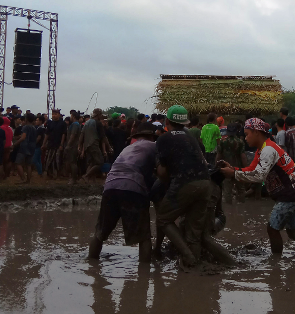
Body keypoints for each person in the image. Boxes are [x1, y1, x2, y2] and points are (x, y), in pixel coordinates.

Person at [220, 118, 295, 258]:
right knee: (293, 231)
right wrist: (233, 169)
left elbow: (259, 176)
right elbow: (251, 169)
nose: (245, 138)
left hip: (290, 195)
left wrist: (234, 174)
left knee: (272, 229)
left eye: (247, 134)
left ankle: (276, 262)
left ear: (256, 132)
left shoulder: (268, 150)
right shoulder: (264, 149)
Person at [88, 123, 158, 263]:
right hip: (133, 188)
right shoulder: (154, 146)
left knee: (100, 232)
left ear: (136, 137)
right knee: (143, 237)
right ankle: (144, 274)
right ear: (151, 136)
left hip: (110, 186)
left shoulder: (127, 149)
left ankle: (91, 264)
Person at [155, 105, 211, 266]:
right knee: (194, 233)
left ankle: (188, 256)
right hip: (206, 183)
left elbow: (163, 173)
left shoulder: (164, 139)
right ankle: (193, 271)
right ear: (185, 123)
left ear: (167, 121)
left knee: (163, 219)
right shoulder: (191, 137)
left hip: (185, 182)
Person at [216, 123, 247, 203]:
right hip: (238, 168)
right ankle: (242, 208)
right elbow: (243, 156)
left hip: (226, 169)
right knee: (241, 189)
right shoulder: (240, 142)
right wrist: (246, 168)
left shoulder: (223, 142)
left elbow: (219, 155)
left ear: (227, 131)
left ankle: (229, 209)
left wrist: (216, 166)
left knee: (227, 190)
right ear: (236, 131)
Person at [78, 108, 107, 183]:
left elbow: (82, 135)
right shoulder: (98, 123)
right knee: (100, 162)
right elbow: (103, 137)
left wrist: (79, 145)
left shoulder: (87, 123)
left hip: (87, 145)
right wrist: (109, 148)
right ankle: (86, 176)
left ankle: (90, 181)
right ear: (99, 115)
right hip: (94, 144)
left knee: (91, 163)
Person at [42, 108, 67, 179]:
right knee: (48, 160)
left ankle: (59, 175)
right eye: (53, 114)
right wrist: (44, 144)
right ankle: (50, 174)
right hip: (50, 144)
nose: (54, 116)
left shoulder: (62, 123)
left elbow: (63, 134)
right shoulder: (50, 123)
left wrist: (61, 144)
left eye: (55, 114)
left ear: (59, 115)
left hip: (58, 144)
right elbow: (47, 134)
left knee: (58, 160)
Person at [13, 112, 37, 184]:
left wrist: (15, 144)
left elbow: (23, 137)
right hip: (32, 147)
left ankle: (22, 179)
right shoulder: (34, 128)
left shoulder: (25, 127)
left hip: (24, 147)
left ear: (26, 119)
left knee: (18, 163)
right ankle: (28, 180)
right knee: (28, 165)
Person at [65, 110, 81, 184]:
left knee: (72, 162)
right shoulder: (76, 124)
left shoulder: (75, 124)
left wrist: (68, 145)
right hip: (73, 145)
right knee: (71, 162)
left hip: (73, 146)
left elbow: (73, 135)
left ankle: (73, 179)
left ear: (73, 117)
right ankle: (72, 178)